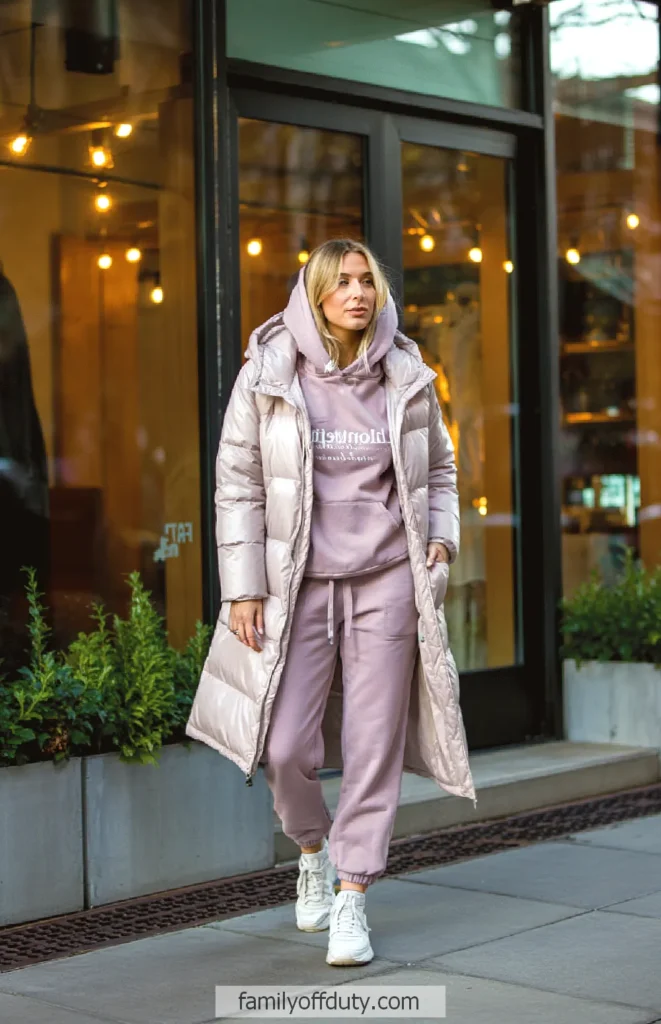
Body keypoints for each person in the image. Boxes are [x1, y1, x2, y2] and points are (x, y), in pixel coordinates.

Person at [186, 239, 476, 967]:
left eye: (366, 281)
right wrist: (243, 586)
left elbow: (440, 468)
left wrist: (441, 541)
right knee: (285, 745)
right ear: (315, 293)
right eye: (342, 281)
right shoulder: (268, 370)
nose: (357, 293)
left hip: (388, 580)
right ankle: (312, 850)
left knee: (374, 744)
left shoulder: (405, 371)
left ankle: (353, 893)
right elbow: (237, 484)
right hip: (298, 584)